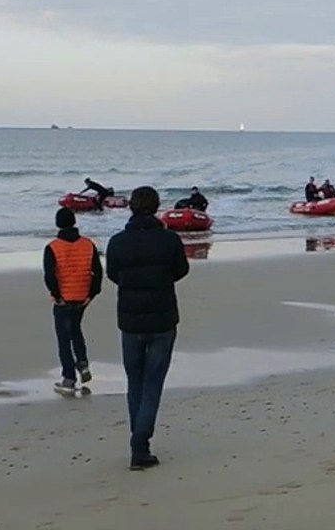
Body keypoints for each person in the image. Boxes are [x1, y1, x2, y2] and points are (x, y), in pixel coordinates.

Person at [106, 186, 190, 470]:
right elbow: (181, 270)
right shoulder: (168, 240)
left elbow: (114, 274)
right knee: (152, 382)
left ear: (131, 207)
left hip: (130, 320)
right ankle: (139, 443)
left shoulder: (118, 242)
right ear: (156, 207)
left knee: (136, 381)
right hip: (162, 318)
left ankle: (139, 440)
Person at [44, 208, 103, 395]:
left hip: (64, 298)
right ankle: (83, 364)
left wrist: (56, 294)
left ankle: (69, 378)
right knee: (76, 331)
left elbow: (50, 275)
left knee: (64, 338)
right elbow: (97, 272)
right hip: (82, 296)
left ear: (57, 224)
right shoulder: (88, 244)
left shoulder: (53, 247)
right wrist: (91, 294)